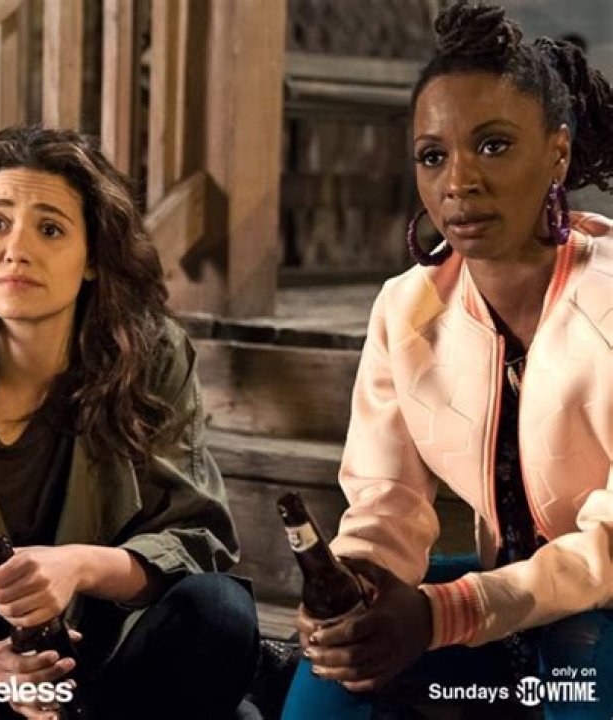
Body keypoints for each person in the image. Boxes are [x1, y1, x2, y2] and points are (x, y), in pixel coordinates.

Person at [282, 2, 613, 719]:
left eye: (493, 145)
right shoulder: (406, 309)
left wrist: (445, 613)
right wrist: (359, 586)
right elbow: (386, 502)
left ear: (557, 153)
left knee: (586, 660)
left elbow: (608, 548)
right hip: (504, 594)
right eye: (433, 156)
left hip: (602, 601)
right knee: (331, 675)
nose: (458, 181)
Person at [0, 126, 260, 720]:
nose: (15, 249)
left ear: (92, 258)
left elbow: (196, 539)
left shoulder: (150, 357)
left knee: (218, 612)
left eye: (50, 229)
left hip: (97, 661)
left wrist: (78, 566)